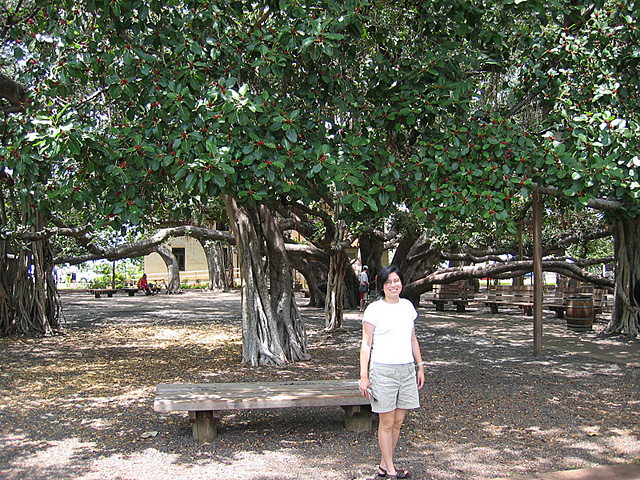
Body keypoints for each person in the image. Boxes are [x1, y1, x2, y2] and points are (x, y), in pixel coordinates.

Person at [359, 265, 425, 479]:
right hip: (383, 370)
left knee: (398, 422)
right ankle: (391, 470)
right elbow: (366, 344)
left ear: (401, 283)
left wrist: (420, 365)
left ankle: (383, 465)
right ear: (381, 286)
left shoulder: (407, 307)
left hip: (406, 370)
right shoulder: (374, 310)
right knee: (386, 422)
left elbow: (412, 339)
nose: (393, 285)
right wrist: (364, 376)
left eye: (396, 281)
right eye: (388, 282)